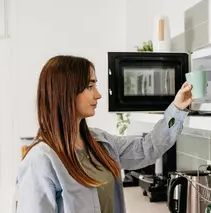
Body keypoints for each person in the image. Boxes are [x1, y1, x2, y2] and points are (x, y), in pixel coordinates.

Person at [16, 55, 193, 213]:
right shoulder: (40, 161)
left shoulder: (99, 142)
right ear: (65, 92)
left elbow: (147, 148)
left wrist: (176, 109)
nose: (98, 94)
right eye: (89, 86)